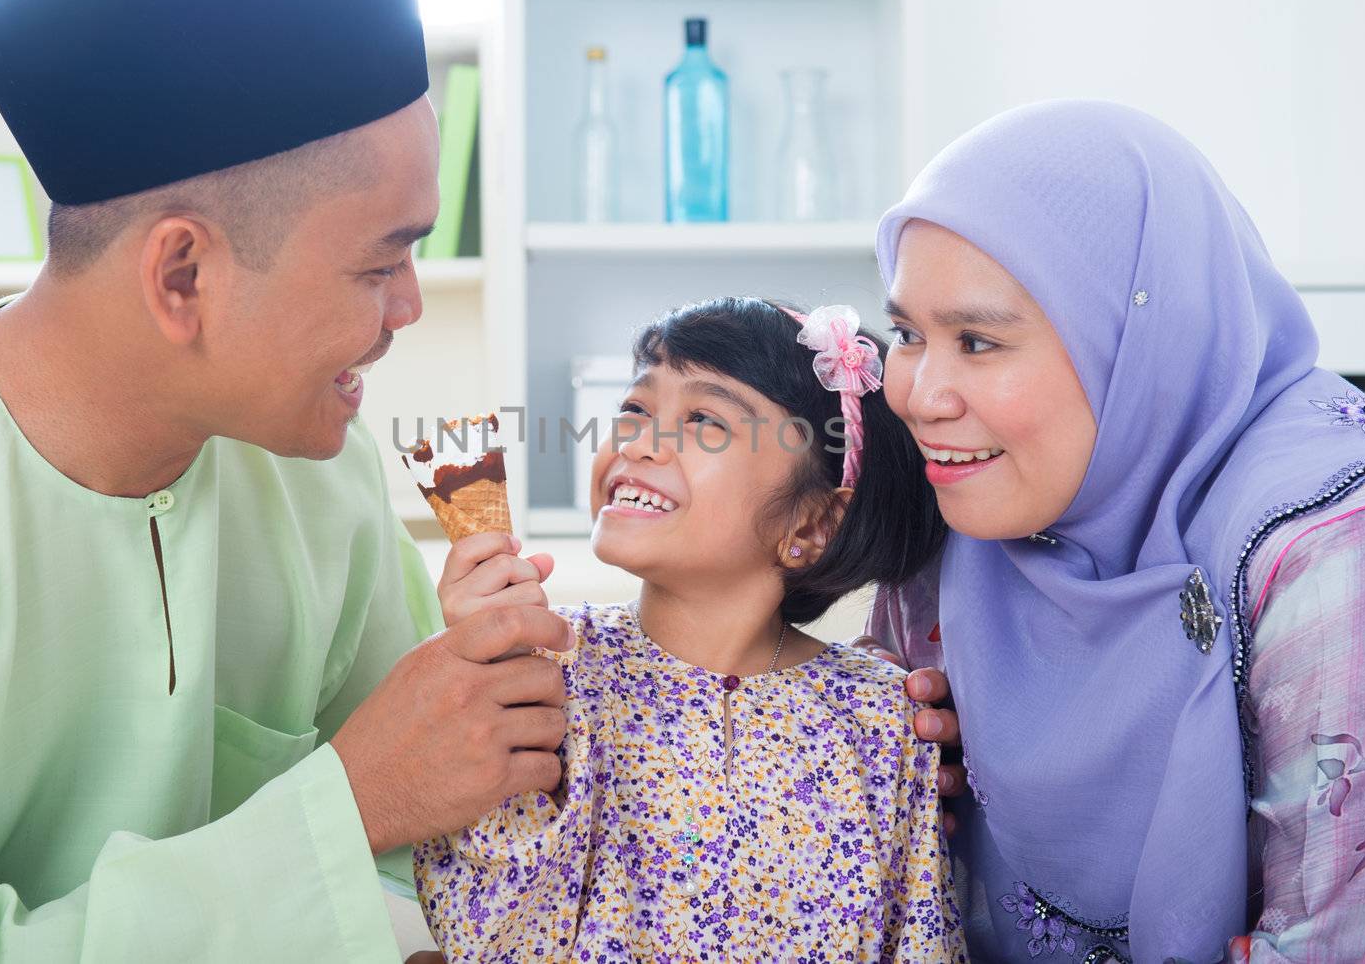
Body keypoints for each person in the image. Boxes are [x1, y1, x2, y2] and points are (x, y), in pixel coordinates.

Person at [0, 0, 568, 960]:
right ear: (182, 274)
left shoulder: (320, 474)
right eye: (377, 263)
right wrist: (343, 807)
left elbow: (434, 855)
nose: (406, 308)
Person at [871, 99, 1365, 962]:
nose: (921, 396)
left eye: (977, 341)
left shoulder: (1342, 542)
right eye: (905, 333)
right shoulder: (967, 504)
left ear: (1135, 339)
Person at [412, 297, 967, 962]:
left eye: (702, 421)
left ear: (812, 526)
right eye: (635, 410)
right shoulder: (547, 677)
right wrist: (489, 676)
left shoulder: (884, 719)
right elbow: (487, 935)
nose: (637, 443)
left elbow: (922, 943)